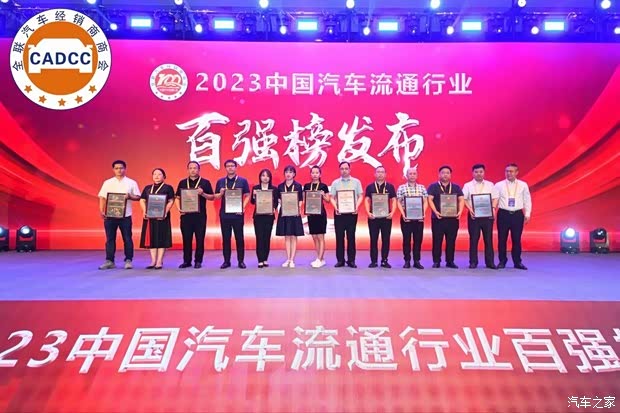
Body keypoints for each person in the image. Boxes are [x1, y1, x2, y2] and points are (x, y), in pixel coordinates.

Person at [98, 160, 141, 270]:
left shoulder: (131, 182)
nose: (119, 170)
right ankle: (109, 261)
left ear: (125, 169)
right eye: (116, 168)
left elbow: (138, 197)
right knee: (110, 239)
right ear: (113, 169)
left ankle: (128, 260)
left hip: (125, 216)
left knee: (127, 238)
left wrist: (130, 196)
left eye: (121, 168)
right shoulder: (107, 182)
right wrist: (102, 211)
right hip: (110, 215)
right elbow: (102, 197)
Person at [175, 161, 218, 269]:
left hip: (200, 216)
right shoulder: (182, 183)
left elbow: (212, 197)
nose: (193, 170)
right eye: (190, 168)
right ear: (188, 170)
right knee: (186, 239)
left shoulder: (205, 182)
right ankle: (187, 261)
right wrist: (179, 208)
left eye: (195, 168)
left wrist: (202, 193)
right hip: (186, 216)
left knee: (200, 239)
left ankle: (198, 261)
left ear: (199, 170)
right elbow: (177, 197)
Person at [495, 163, 532, 270]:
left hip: (517, 214)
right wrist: (492, 211)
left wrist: (527, 213)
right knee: (502, 239)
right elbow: (495, 200)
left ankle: (517, 262)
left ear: (517, 172)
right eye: (507, 171)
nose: (509, 173)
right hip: (503, 214)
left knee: (516, 239)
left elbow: (527, 200)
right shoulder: (499, 185)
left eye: (511, 171)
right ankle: (502, 261)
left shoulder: (523, 185)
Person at [215, 159, 251, 269]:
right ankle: (226, 261)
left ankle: (241, 261)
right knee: (226, 238)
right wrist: (220, 193)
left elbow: (247, 195)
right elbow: (216, 197)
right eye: (228, 166)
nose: (230, 167)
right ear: (225, 168)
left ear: (236, 167)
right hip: (224, 214)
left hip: (237, 214)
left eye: (232, 166)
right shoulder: (220, 181)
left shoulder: (242, 181)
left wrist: (242, 207)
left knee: (239, 238)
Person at [427, 165, 465, 268]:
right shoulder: (433, 186)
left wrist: (460, 211)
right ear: (439, 174)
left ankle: (450, 261)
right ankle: (436, 261)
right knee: (437, 240)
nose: (445, 175)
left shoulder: (456, 187)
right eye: (443, 173)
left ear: (450, 175)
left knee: (451, 241)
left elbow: (461, 199)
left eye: (447, 173)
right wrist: (435, 212)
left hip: (453, 219)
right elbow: (429, 199)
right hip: (438, 218)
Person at [463, 164, 499, 269]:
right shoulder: (467, 185)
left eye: (481, 172)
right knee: (474, 239)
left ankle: (490, 262)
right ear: (472, 173)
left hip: (487, 216)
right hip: (474, 216)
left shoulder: (490, 185)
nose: (478, 174)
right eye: (476, 172)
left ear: (484, 172)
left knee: (488, 239)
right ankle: (473, 262)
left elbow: (495, 198)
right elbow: (463, 199)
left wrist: (493, 208)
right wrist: (470, 209)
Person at [330, 161, 364, 268]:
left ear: (349, 169)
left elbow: (361, 196)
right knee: (339, 237)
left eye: (346, 168)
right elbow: (331, 197)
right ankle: (340, 260)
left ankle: (351, 260)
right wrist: (336, 208)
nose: (344, 171)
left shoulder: (356, 182)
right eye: (342, 169)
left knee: (351, 237)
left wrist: (356, 207)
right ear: (339, 170)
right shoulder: (335, 183)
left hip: (352, 213)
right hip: (339, 213)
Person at [139, 168, 175, 269]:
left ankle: (159, 261)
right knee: (152, 238)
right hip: (150, 216)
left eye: (159, 174)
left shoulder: (168, 188)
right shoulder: (147, 188)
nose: (156, 176)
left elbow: (171, 201)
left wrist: (165, 212)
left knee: (161, 237)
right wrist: (144, 211)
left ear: (164, 176)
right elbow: (142, 200)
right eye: (154, 174)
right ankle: (153, 261)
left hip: (162, 217)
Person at [364, 165, 397, 268]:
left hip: (386, 218)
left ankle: (384, 260)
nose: (380, 174)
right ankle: (373, 261)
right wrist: (368, 212)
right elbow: (367, 200)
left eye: (382, 172)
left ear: (385, 174)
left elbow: (394, 200)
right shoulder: (370, 187)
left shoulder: (390, 187)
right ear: (375, 174)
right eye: (378, 172)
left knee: (386, 239)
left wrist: (392, 213)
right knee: (373, 239)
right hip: (373, 217)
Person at [396, 167, 429, 269]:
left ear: (417, 175)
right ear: (406, 175)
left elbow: (426, 201)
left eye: (414, 174)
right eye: (410, 174)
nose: (412, 176)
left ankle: (417, 261)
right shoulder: (401, 188)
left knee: (418, 240)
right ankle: (407, 260)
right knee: (406, 240)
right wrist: (403, 214)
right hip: (406, 218)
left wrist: (423, 213)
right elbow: (398, 202)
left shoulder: (422, 188)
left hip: (419, 218)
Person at [276, 165, 304, 268]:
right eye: (287, 172)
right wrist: (282, 202)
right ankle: (288, 259)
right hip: (284, 213)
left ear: (294, 174)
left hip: (294, 213)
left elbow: (300, 200)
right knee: (287, 236)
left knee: (293, 236)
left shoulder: (298, 186)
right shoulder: (280, 186)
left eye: (291, 172)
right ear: (284, 174)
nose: (288, 174)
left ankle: (292, 259)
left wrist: (298, 208)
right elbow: (278, 199)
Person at [251, 169, 278, 268]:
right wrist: (254, 195)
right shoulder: (256, 188)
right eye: (263, 175)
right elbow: (252, 202)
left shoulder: (274, 189)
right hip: (258, 217)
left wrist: (274, 208)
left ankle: (265, 259)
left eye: (267, 176)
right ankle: (260, 260)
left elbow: (276, 202)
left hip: (269, 216)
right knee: (259, 238)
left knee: (267, 238)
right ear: (260, 177)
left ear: (270, 178)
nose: (265, 178)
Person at [303, 165, 330, 268]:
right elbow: (304, 200)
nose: (315, 174)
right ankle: (320, 258)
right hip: (311, 214)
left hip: (320, 214)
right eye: (313, 173)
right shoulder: (306, 186)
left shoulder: (323, 186)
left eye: (317, 173)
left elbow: (328, 200)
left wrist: (323, 195)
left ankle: (320, 258)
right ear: (310, 174)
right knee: (314, 236)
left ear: (320, 174)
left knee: (320, 236)